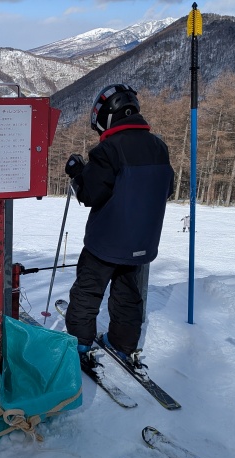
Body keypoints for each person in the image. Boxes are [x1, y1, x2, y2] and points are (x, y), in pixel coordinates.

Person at [63, 83, 174, 373]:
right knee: (128, 295)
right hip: (142, 242)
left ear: (107, 116)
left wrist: (77, 171)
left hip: (106, 242)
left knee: (88, 293)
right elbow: (167, 189)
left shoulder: (109, 149)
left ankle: (79, 345)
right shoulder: (159, 147)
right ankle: (122, 344)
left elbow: (90, 194)